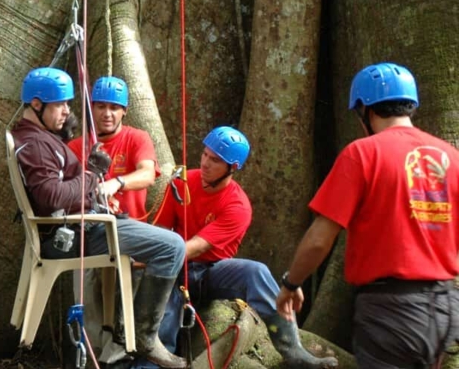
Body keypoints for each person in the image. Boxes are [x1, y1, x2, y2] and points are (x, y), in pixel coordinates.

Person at [276, 62, 459, 369]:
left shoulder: (362, 154)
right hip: (445, 306)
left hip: (391, 311)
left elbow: (320, 240)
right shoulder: (451, 157)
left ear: (364, 108)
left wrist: (291, 284)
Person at [11, 67, 187, 368]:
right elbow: (52, 196)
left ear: (125, 112)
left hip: (86, 225)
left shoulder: (40, 139)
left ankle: (126, 344)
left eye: (69, 104)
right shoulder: (39, 145)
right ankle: (143, 337)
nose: (67, 111)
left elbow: (146, 173)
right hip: (80, 232)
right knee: (173, 247)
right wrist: (92, 178)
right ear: (37, 105)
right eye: (61, 105)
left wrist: (104, 186)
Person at [153, 126, 337, 368]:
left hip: (211, 271)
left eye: (216, 160)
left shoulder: (237, 206)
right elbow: (161, 230)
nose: (206, 163)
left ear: (233, 167)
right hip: (174, 267)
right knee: (166, 303)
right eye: (205, 155)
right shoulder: (181, 183)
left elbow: (197, 248)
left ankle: (293, 351)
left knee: (256, 271)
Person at [68, 76, 160, 221]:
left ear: (125, 110)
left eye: (114, 108)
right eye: (101, 107)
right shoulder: (76, 147)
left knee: (174, 243)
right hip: (92, 227)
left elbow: (148, 175)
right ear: (92, 108)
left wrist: (117, 183)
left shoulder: (137, 138)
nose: (107, 114)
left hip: (132, 228)